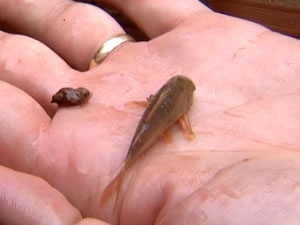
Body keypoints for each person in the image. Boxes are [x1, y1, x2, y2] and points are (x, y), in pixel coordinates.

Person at [0, 0, 299, 224]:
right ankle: (125, 172)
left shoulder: (173, 98)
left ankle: (124, 173)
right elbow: (179, 120)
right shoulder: (180, 103)